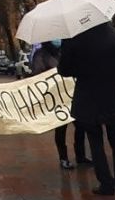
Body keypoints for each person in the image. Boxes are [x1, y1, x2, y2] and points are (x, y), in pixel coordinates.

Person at [58, 22, 115, 196]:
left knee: (95, 141)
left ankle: (106, 183)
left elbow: (63, 69)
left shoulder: (76, 39)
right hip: (111, 96)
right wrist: (114, 85)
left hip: (87, 98)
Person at [31, 39, 88, 170]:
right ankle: (63, 158)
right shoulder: (41, 55)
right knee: (61, 129)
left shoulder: (64, 51)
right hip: (56, 98)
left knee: (80, 125)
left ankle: (81, 155)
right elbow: (38, 75)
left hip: (71, 96)